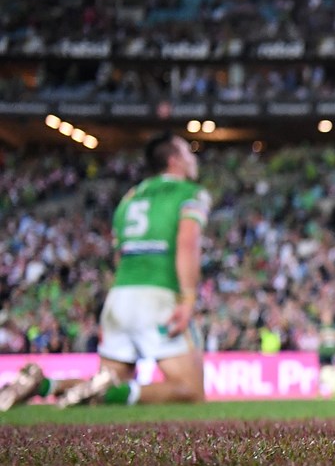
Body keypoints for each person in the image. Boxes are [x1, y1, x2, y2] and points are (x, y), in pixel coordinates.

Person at [0, 133, 209, 411]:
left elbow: (120, 255)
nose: (193, 158)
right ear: (173, 161)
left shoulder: (129, 198)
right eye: (187, 152)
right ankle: (104, 396)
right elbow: (187, 244)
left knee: (109, 380)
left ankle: (43, 385)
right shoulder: (189, 193)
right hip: (158, 296)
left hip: (120, 296)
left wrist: (112, 308)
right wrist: (189, 298)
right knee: (191, 391)